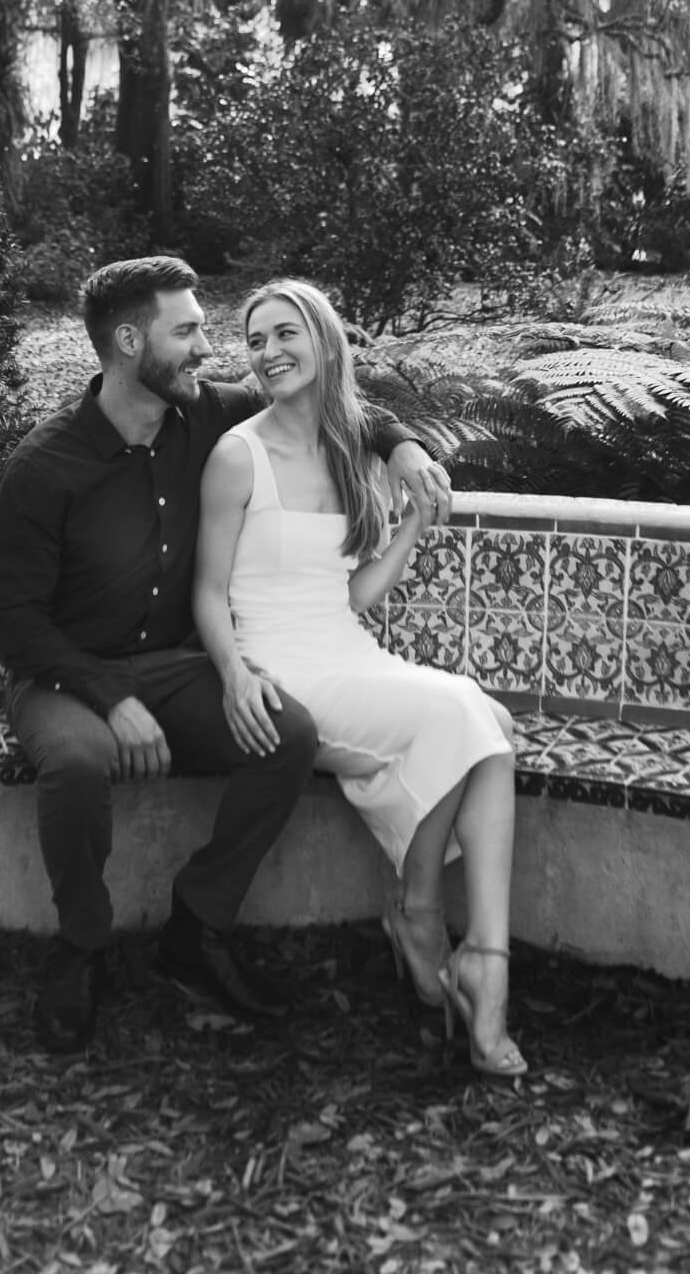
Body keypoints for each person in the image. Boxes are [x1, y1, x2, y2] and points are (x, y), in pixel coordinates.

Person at [0, 255, 451, 1053]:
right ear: (130, 342)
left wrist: (400, 446)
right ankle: (83, 945)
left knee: (286, 735)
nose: (207, 348)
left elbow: (319, 401)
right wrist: (108, 698)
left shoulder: (203, 414)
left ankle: (197, 929)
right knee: (78, 763)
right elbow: (11, 616)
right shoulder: (45, 466)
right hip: (62, 675)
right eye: (188, 330)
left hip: (175, 666)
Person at [192, 277, 526, 1080]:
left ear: (323, 342)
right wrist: (234, 674)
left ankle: (463, 942)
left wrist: (411, 520)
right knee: (463, 715)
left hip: (345, 651)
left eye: (285, 335)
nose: (268, 352)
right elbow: (207, 592)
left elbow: (349, 595)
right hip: (281, 669)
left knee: (489, 730)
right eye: (256, 340)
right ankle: (449, 937)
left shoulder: (348, 451)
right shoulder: (237, 456)